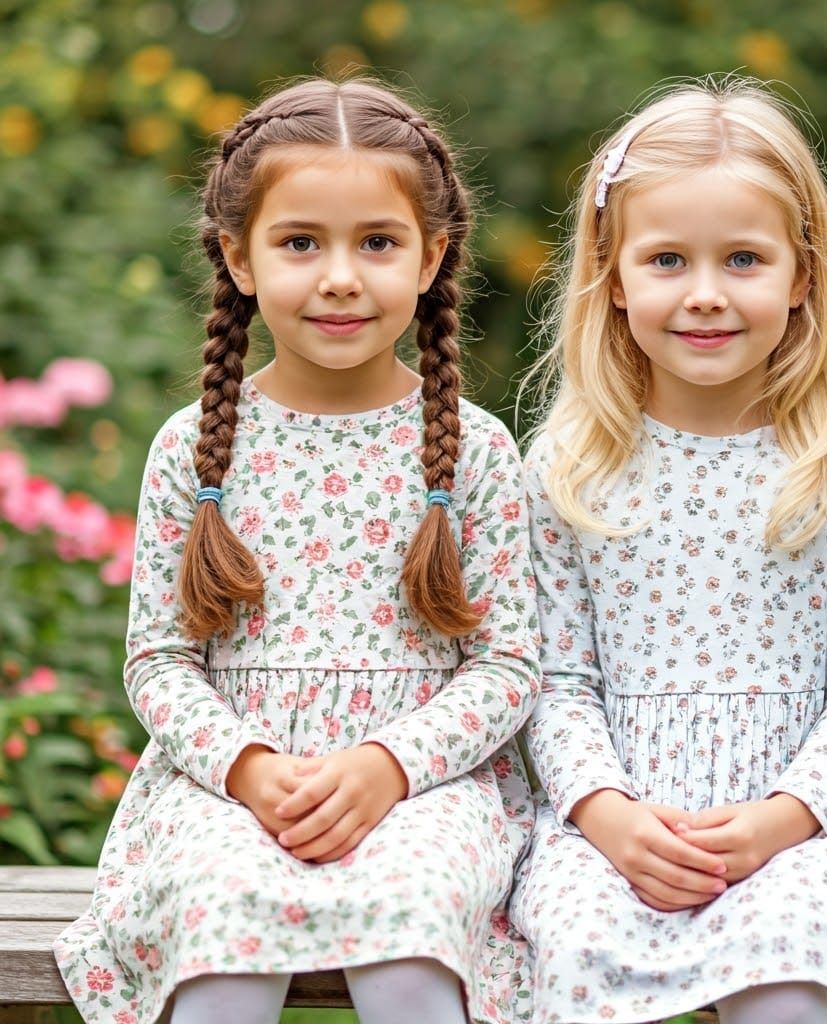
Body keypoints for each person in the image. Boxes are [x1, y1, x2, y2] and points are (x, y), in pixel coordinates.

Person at [54, 77, 539, 1024]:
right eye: (300, 242)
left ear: (433, 256)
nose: (341, 276)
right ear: (239, 257)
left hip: (424, 789)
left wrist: (387, 765)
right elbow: (158, 659)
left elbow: (509, 663)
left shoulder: (475, 449)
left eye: (379, 243)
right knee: (222, 919)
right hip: (227, 790)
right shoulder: (193, 448)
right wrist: (246, 766)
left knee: (411, 921)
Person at [509, 75, 827, 1024]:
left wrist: (778, 823)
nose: (705, 295)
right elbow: (556, 681)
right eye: (667, 260)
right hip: (617, 821)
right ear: (613, 278)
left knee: (781, 963)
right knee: (573, 949)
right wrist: (608, 817)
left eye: (743, 259)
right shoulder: (568, 472)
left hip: (810, 829)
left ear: (802, 275)